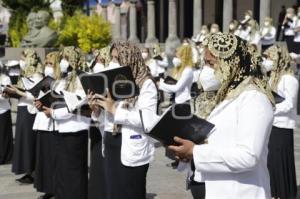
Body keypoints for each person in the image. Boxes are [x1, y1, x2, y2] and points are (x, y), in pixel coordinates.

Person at [168, 33, 274, 199]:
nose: (208, 70)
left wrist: (195, 152)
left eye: (211, 63)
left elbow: (249, 156)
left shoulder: (254, 98)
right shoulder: (225, 96)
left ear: (230, 62)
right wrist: (186, 152)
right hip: (217, 189)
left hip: (243, 191)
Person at [88, 41, 157, 199]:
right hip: (111, 143)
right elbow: (106, 119)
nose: (113, 63)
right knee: (113, 193)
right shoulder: (113, 83)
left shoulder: (146, 84)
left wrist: (114, 109)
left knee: (130, 192)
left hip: (132, 147)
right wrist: (97, 110)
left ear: (129, 58)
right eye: (112, 58)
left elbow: (148, 120)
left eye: (117, 58)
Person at [42, 47, 91, 199]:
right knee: (62, 170)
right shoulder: (63, 78)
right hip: (60, 129)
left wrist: (54, 113)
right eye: (62, 57)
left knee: (74, 171)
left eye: (66, 58)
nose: (63, 61)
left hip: (76, 130)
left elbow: (76, 105)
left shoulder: (82, 79)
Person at [263, 45, 298, 199]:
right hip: (272, 124)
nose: (267, 61)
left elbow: (289, 104)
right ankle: (274, 192)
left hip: (283, 126)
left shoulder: (289, 79)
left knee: (281, 160)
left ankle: (284, 193)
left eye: (269, 58)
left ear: (278, 59)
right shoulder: (272, 77)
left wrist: (270, 109)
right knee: (271, 161)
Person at [6, 49, 43, 184]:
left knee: (29, 142)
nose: (21, 61)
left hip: (30, 111)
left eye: (23, 58)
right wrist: (10, 92)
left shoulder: (38, 75)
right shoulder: (24, 75)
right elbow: (22, 92)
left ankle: (33, 172)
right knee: (23, 143)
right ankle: (28, 171)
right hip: (23, 110)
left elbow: (36, 96)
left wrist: (17, 92)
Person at [159, 45, 194, 168]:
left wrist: (161, 85)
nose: (175, 57)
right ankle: (177, 158)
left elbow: (177, 87)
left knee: (182, 133)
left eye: (178, 55)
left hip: (183, 103)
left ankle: (183, 159)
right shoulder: (179, 69)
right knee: (175, 132)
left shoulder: (188, 70)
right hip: (176, 101)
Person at [33, 52, 60, 199]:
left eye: (51, 64)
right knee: (44, 158)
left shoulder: (61, 81)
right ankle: (47, 188)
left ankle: (56, 188)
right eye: (47, 64)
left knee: (53, 157)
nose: (48, 67)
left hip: (54, 123)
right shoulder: (44, 81)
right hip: (43, 122)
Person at [87, 46, 110, 199]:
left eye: (102, 58)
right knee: (97, 161)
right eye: (97, 59)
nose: (99, 62)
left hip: (109, 127)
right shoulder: (94, 68)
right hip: (97, 120)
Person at [0, 63, 13, 165]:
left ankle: (4, 157)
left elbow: (6, 96)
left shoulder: (5, 79)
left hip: (3, 110)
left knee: (3, 136)